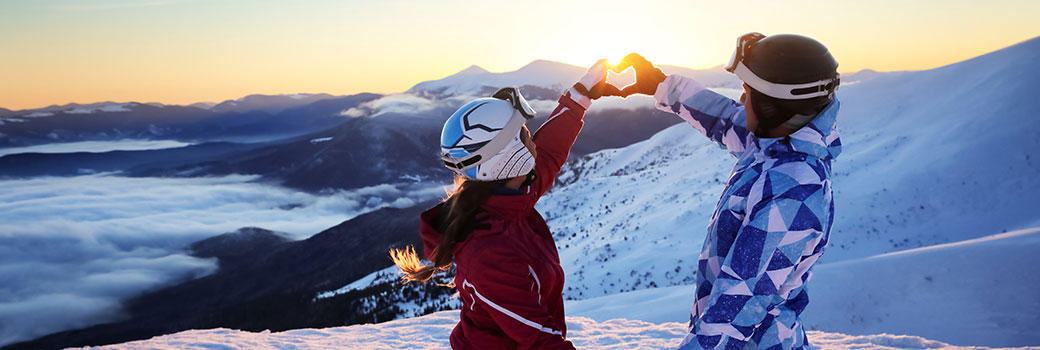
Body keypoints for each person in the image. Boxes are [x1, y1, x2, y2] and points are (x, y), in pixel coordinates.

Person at [616, 33, 842, 350]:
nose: (740, 100)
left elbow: (734, 312)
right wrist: (662, 85)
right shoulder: (774, 145)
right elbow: (725, 121)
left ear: (773, 107)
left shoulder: (794, 193)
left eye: (747, 93)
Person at [391, 60, 622, 349]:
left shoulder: (508, 200)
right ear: (508, 159)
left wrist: (580, 95)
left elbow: (549, 153)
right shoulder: (489, 251)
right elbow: (540, 340)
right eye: (524, 134)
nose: (532, 139)